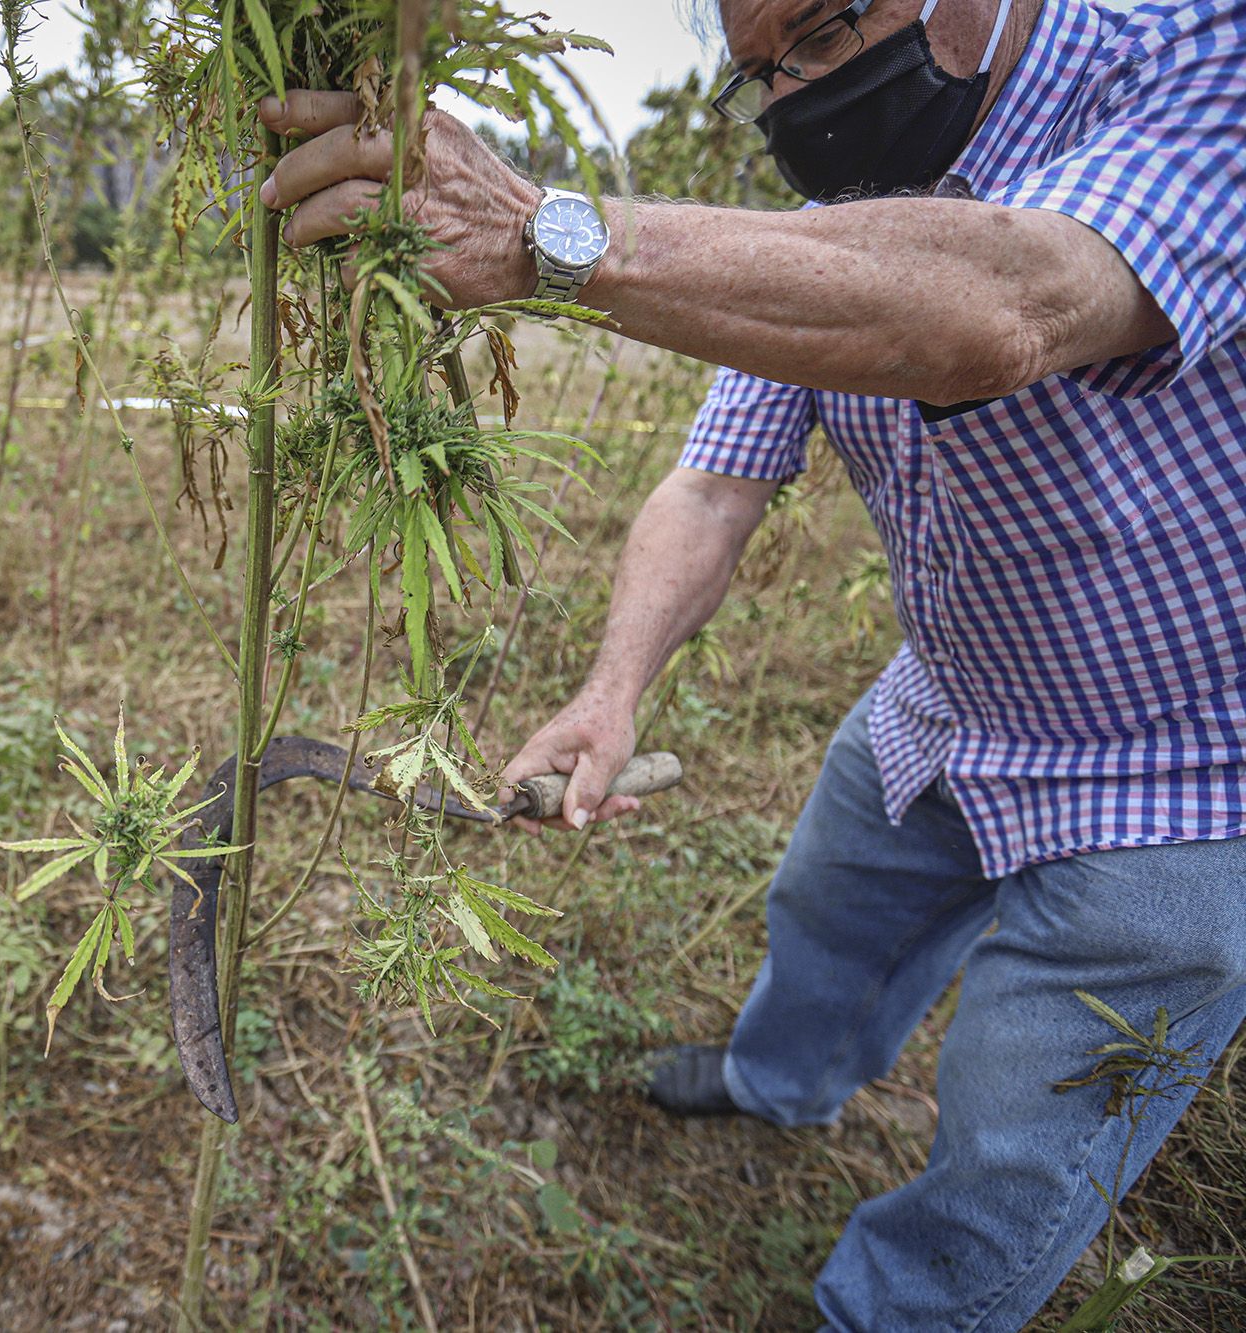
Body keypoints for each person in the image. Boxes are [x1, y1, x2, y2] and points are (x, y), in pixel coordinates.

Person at [256, 0, 1246, 1327]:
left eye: (830, 32)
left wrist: (551, 235)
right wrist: (611, 693)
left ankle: (892, 1307)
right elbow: (715, 487)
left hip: (1182, 767)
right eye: (761, 73)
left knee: (1023, 1134)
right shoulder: (838, 200)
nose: (798, 97)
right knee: (828, 914)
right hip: (954, 690)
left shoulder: (1196, 55)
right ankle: (785, 1080)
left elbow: (1003, 301)